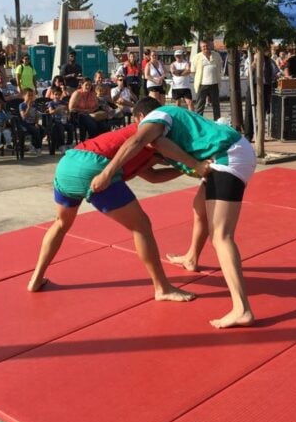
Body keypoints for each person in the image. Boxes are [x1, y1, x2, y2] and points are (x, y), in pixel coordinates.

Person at [92, 98, 257, 329]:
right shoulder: (171, 124)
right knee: (199, 208)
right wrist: (194, 166)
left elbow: (138, 140)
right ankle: (191, 257)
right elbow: (157, 154)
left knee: (221, 236)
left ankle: (242, 309)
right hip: (232, 153)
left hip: (227, 156)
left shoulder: (156, 117)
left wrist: (107, 174)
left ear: (141, 118)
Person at [27, 121, 199, 304]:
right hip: (93, 166)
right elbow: (155, 145)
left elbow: (153, 176)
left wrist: (186, 170)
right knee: (141, 226)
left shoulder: (135, 140)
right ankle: (162, 288)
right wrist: (192, 163)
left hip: (67, 164)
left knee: (61, 223)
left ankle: (36, 279)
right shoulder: (151, 132)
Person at [192, 41, 223, 121]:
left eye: (207, 46)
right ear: (201, 48)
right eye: (203, 46)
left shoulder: (216, 55)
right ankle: (199, 122)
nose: (205, 48)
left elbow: (220, 68)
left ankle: (217, 122)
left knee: (216, 105)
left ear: (210, 46)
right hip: (202, 84)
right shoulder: (196, 57)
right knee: (199, 106)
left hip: (214, 83)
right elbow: (193, 71)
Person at [48, 86, 75, 153]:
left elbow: (68, 111)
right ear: (53, 94)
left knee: (70, 127)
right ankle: (61, 145)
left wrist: (67, 114)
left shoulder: (63, 103)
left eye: (59, 94)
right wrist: (58, 109)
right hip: (55, 121)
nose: (57, 96)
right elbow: (51, 112)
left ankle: (69, 144)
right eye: (56, 94)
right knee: (61, 128)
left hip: (64, 120)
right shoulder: (51, 103)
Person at [19, 88, 45, 156]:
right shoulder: (22, 105)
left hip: (33, 123)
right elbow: (23, 116)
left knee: (42, 130)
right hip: (25, 124)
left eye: (32, 95)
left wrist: (36, 123)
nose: (30, 97)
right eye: (29, 95)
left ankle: (33, 145)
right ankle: (38, 148)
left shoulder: (34, 104)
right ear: (24, 96)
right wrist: (28, 107)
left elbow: (36, 115)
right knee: (35, 130)